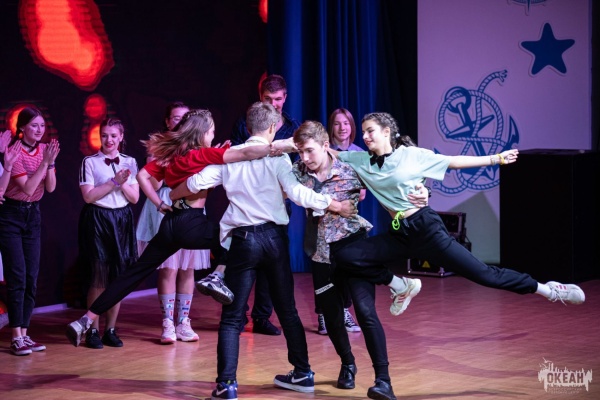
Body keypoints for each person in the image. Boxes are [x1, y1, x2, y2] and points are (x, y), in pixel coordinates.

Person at [328, 111, 586, 400]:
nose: (365, 136)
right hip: (400, 234)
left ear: (387, 131)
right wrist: (287, 145)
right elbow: (325, 152)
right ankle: (401, 285)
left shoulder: (412, 155)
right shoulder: (361, 160)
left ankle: (548, 289)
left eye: (370, 131)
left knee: (486, 276)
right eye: (363, 131)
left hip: (426, 230)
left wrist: (495, 159)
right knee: (346, 256)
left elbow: (453, 161)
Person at [170, 102, 356, 400]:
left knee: (233, 316)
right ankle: (303, 372)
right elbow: (297, 194)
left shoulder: (230, 157)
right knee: (288, 310)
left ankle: (227, 384)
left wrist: (173, 195)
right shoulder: (277, 159)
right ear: (272, 128)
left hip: (243, 241)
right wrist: (334, 204)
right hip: (274, 240)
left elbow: (195, 182)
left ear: (248, 126)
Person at [65, 109, 296, 347]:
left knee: (134, 274)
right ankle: (218, 276)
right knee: (241, 234)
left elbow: (143, 176)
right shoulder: (203, 154)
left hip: (170, 223)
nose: (213, 135)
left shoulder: (171, 155)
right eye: (211, 132)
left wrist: (159, 203)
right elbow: (246, 152)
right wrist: (283, 146)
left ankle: (86, 319)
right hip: (191, 223)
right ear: (203, 133)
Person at [292, 121, 428, 398]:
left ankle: (383, 380)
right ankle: (348, 364)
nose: (305, 158)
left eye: (309, 151)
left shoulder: (351, 166)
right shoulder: (298, 171)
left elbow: (393, 177)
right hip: (321, 253)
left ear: (325, 146)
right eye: (300, 152)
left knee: (366, 313)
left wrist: (423, 190)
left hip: (354, 248)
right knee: (331, 316)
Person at [230, 74, 301, 336]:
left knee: (272, 264)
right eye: (268, 99)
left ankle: (262, 317)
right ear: (260, 97)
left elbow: (298, 168)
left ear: (285, 98)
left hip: (278, 204)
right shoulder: (245, 123)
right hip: (248, 204)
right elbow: (234, 158)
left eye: (278, 99)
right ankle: (237, 316)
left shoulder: (293, 127)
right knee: (242, 263)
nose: (273, 104)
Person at [135, 102, 211, 344]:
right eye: (176, 118)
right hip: (167, 203)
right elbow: (152, 181)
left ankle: (183, 321)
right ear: (168, 121)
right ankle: (168, 321)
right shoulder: (163, 148)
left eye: (184, 118)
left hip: (192, 204)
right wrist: (162, 161)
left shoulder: (197, 148)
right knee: (169, 266)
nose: (180, 122)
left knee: (188, 266)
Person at [0, 107, 60, 356]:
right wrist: (45, 163)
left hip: (33, 215)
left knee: (31, 276)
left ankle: (25, 334)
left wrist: (50, 162)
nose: (39, 130)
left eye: (42, 126)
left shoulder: (45, 150)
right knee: (17, 277)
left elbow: (51, 187)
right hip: (11, 215)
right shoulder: (14, 151)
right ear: (22, 127)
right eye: (34, 125)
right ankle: (16, 336)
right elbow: (27, 188)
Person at [78, 117, 140, 349]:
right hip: (98, 219)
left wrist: (122, 182)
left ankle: (110, 329)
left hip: (122, 219)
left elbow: (134, 198)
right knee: (98, 276)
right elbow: (88, 196)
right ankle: (92, 329)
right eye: (104, 135)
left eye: (113, 135)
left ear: (121, 137)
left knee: (117, 278)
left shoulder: (130, 161)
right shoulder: (90, 162)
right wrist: (114, 181)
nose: (109, 140)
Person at [314, 108, 365, 336]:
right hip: (322, 219)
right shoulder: (322, 152)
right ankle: (323, 314)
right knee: (323, 268)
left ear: (351, 127)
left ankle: (343, 310)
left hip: (347, 220)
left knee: (345, 267)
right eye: (337, 123)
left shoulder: (358, 154)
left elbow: (362, 193)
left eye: (346, 123)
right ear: (331, 127)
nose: (342, 127)